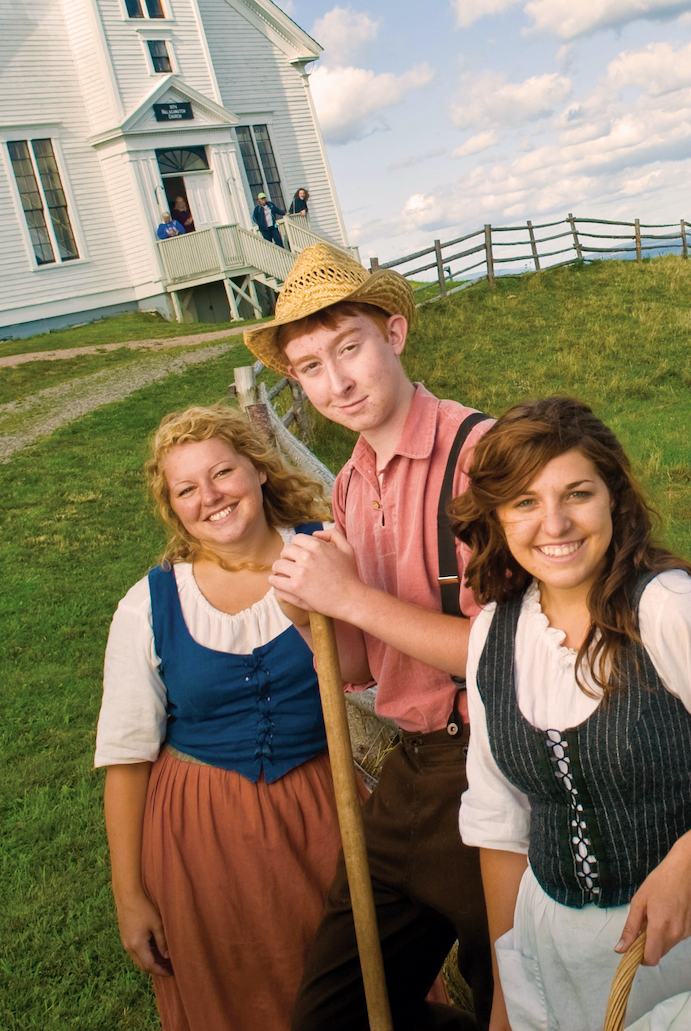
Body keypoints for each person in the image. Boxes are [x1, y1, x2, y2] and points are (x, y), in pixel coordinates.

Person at [454, 397, 691, 1031]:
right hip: (558, 951)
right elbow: (500, 823)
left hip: (690, 936)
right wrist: (505, 993)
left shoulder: (674, 611)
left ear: (613, 500)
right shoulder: (493, 634)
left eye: (577, 493)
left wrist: (689, 860)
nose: (554, 523)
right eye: (524, 502)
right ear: (497, 517)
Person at [251, 243, 495, 1030]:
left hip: (497, 767)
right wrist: (308, 609)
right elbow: (359, 668)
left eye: (348, 348)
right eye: (310, 368)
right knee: (333, 1013)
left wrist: (349, 593)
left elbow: (508, 664)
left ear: (393, 333)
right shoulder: (353, 480)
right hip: (411, 767)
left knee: (517, 1004)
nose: (337, 383)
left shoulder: (482, 460)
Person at [95, 404, 356, 1030]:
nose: (210, 497)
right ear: (173, 505)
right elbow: (127, 762)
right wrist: (130, 897)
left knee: (348, 977)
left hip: (324, 809)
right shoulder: (149, 604)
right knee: (235, 988)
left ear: (259, 470)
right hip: (199, 831)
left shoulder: (326, 553)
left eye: (222, 473)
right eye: (187, 489)